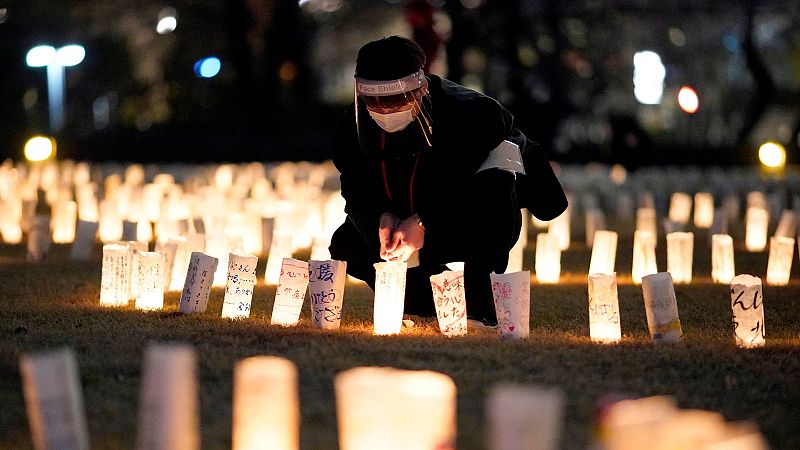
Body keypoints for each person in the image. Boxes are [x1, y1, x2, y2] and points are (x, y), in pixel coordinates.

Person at [329, 36, 567, 328]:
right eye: (373, 101)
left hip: (467, 219)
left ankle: (480, 303)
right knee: (347, 243)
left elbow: (485, 188)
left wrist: (423, 221)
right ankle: (426, 303)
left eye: (395, 100)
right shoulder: (350, 126)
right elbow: (354, 186)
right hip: (403, 219)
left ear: (422, 87)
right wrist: (381, 218)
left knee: (496, 186)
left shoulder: (474, 115)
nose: (385, 110)